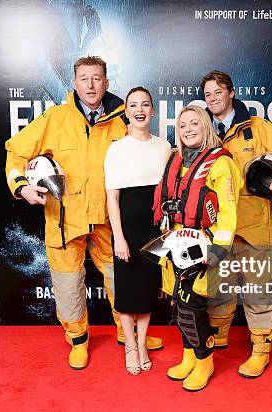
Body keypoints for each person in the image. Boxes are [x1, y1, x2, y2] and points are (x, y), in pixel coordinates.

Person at [4, 56, 163, 370]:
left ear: (106, 82)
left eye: (97, 78)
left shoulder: (122, 119)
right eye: (84, 78)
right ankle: (78, 340)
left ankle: (127, 332)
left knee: (123, 279)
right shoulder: (55, 118)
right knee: (68, 284)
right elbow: (16, 152)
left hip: (107, 219)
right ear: (74, 83)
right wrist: (21, 186)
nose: (91, 85)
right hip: (65, 221)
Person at [201, 70, 272, 378]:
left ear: (230, 93)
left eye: (218, 92)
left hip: (253, 226)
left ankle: (261, 348)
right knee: (218, 285)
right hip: (219, 229)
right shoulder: (204, 130)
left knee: (258, 290)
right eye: (208, 95)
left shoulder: (258, 128)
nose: (213, 99)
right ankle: (218, 334)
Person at [152, 105, 242, 391]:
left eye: (194, 124)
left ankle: (205, 362)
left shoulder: (220, 163)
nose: (188, 129)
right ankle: (189, 357)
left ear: (206, 126)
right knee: (180, 306)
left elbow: (228, 211)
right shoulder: (177, 160)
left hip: (203, 248)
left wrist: (219, 249)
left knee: (192, 309)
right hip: (176, 244)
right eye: (183, 125)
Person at [104, 87, 171, 375]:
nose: (140, 109)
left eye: (145, 104)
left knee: (146, 291)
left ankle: (143, 344)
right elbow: (113, 198)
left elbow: (168, 194)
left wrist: (167, 229)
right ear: (127, 111)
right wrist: (119, 237)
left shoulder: (164, 146)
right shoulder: (117, 148)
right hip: (127, 230)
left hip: (155, 230)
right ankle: (130, 346)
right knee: (128, 292)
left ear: (152, 111)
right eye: (134, 105)